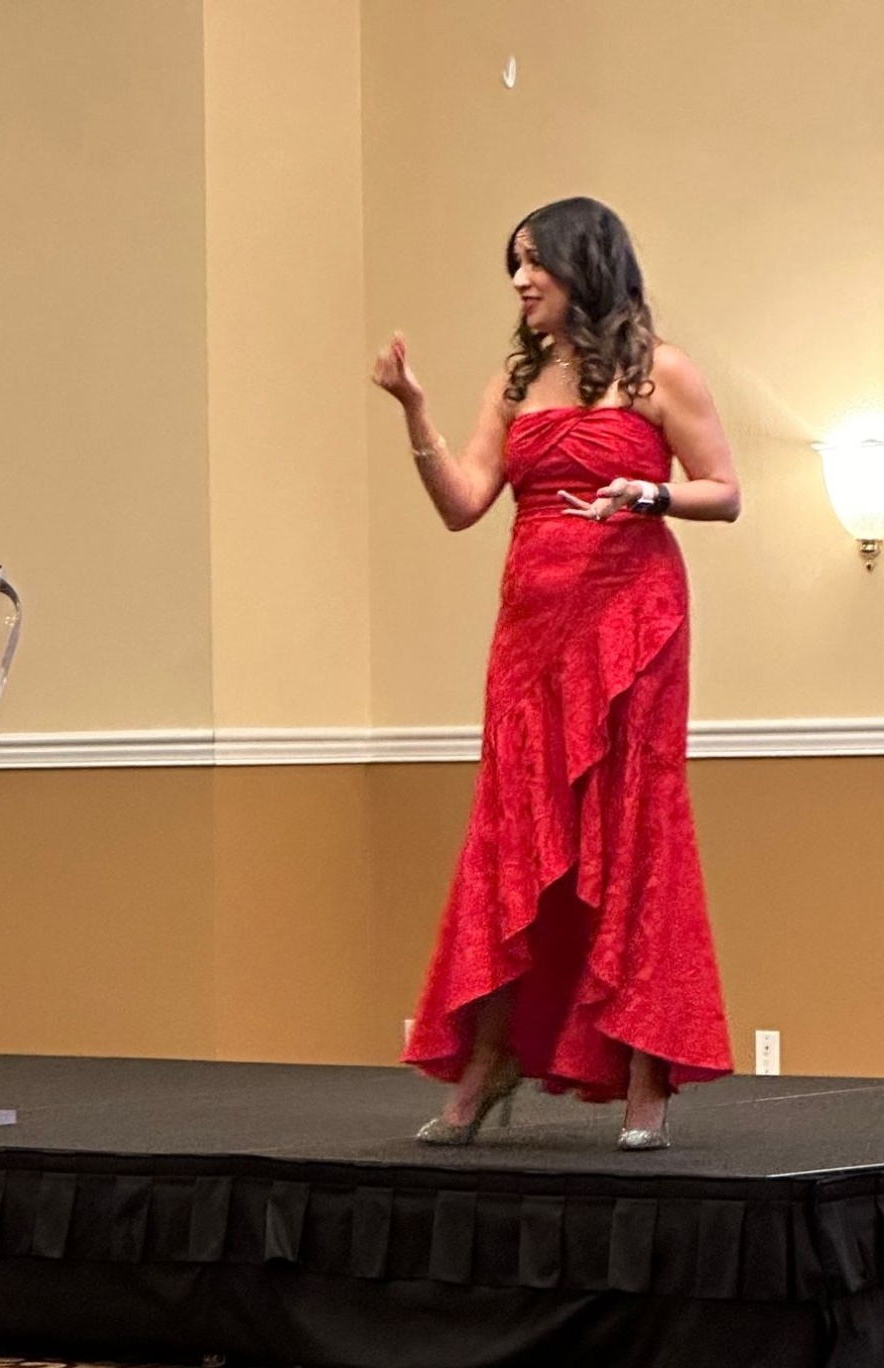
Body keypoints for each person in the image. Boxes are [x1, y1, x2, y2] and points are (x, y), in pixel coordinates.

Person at [372, 197, 740, 1151]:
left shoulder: (659, 371)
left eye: (534, 261)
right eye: (515, 264)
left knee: (633, 830)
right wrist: (414, 411)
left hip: (635, 625)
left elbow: (724, 491)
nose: (520, 280)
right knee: (516, 839)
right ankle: (490, 1058)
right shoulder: (514, 381)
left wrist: (649, 492)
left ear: (584, 263)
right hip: (531, 637)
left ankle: (647, 1071)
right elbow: (463, 503)